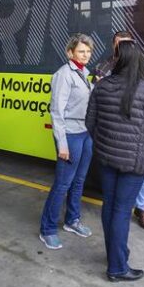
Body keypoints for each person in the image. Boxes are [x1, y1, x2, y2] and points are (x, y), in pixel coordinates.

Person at [86, 40, 144, 282]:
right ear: (139, 61)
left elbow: (90, 123)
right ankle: (117, 268)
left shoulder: (101, 87)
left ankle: (114, 254)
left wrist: (103, 145)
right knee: (121, 211)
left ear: (117, 61)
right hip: (135, 162)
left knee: (109, 206)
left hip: (106, 159)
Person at [96, 31, 144, 230]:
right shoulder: (103, 67)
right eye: (119, 44)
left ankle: (141, 209)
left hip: (138, 126)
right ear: (114, 46)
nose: (123, 47)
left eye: (127, 43)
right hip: (114, 128)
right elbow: (95, 98)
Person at [39, 34, 95, 250]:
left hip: (85, 132)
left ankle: (72, 221)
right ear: (70, 53)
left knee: (79, 181)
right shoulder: (64, 75)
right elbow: (56, 112)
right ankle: (48, 229)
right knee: (63, 184)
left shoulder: (84, 74)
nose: (86, 55)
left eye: (88, 51)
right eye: (82, 51)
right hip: (70, 134)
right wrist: (61, 144)